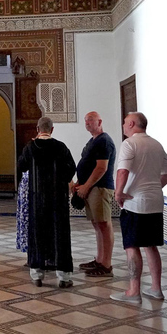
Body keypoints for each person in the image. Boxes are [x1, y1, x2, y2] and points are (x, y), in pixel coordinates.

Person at [111, 112, 167, 303]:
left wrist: (118, 193)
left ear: (131, 123)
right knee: (151, 246)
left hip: (135, 203)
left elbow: (123, 171)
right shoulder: (156, 144)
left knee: (132, 246)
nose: (123, 125)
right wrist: (155, 186)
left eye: (124, 122)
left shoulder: (129, 143)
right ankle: (156, 289)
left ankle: (134, 291)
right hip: (155, 202)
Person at [17, 117, 76, 288]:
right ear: (52, 129)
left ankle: (37, 275)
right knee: (60, 235)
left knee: (38, 234)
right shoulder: (60, 147)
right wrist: (59, 180)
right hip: (58, 200)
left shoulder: (31, 147)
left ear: (37, 129)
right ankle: (64, 277)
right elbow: (71, 168)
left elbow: (22, 166)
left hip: (37, 199)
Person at [71, 111, 116, 277]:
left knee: (104, 224)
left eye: (90, 120)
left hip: (100, 188)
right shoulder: (93, 141)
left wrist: (86, 186)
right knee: (97, 225)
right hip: (90, 188)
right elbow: (87, 165)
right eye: (85, 121)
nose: (87, 123)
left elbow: (101, 168)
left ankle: (106, 264)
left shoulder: (104, 141)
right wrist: (79, 183)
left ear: (100, 121)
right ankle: (99, 259)